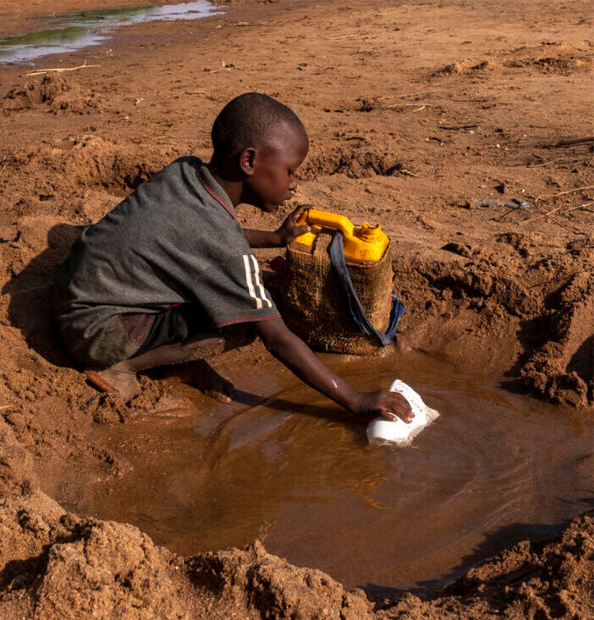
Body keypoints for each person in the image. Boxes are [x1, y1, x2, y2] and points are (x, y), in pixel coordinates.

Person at [54, 92, 413, 424]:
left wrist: (273, 239)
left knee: (228, 291)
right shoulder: (221, 240)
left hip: (77, 297)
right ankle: (126, 365)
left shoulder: (187, 172)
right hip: (97, 334)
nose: (294, 184)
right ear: (249, 161)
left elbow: (197, 238)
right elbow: (276, 338)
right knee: (244, 321)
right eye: (290, 171)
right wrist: (355, 399)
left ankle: (173, 360)